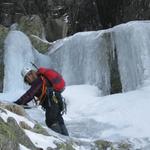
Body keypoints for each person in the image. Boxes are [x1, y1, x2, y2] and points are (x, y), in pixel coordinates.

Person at [14, 67, 69, 136]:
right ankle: (67, 140)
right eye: (26, 77)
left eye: (30, 74)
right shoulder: (41, 79)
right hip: (57, 102)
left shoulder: (38, 81)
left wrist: (16, 103)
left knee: (51, 121)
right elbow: (31, 95)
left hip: (51, 103)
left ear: (33, 73)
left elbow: (29, 94)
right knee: (58, 120)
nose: (29, 77)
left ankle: (61, 141)